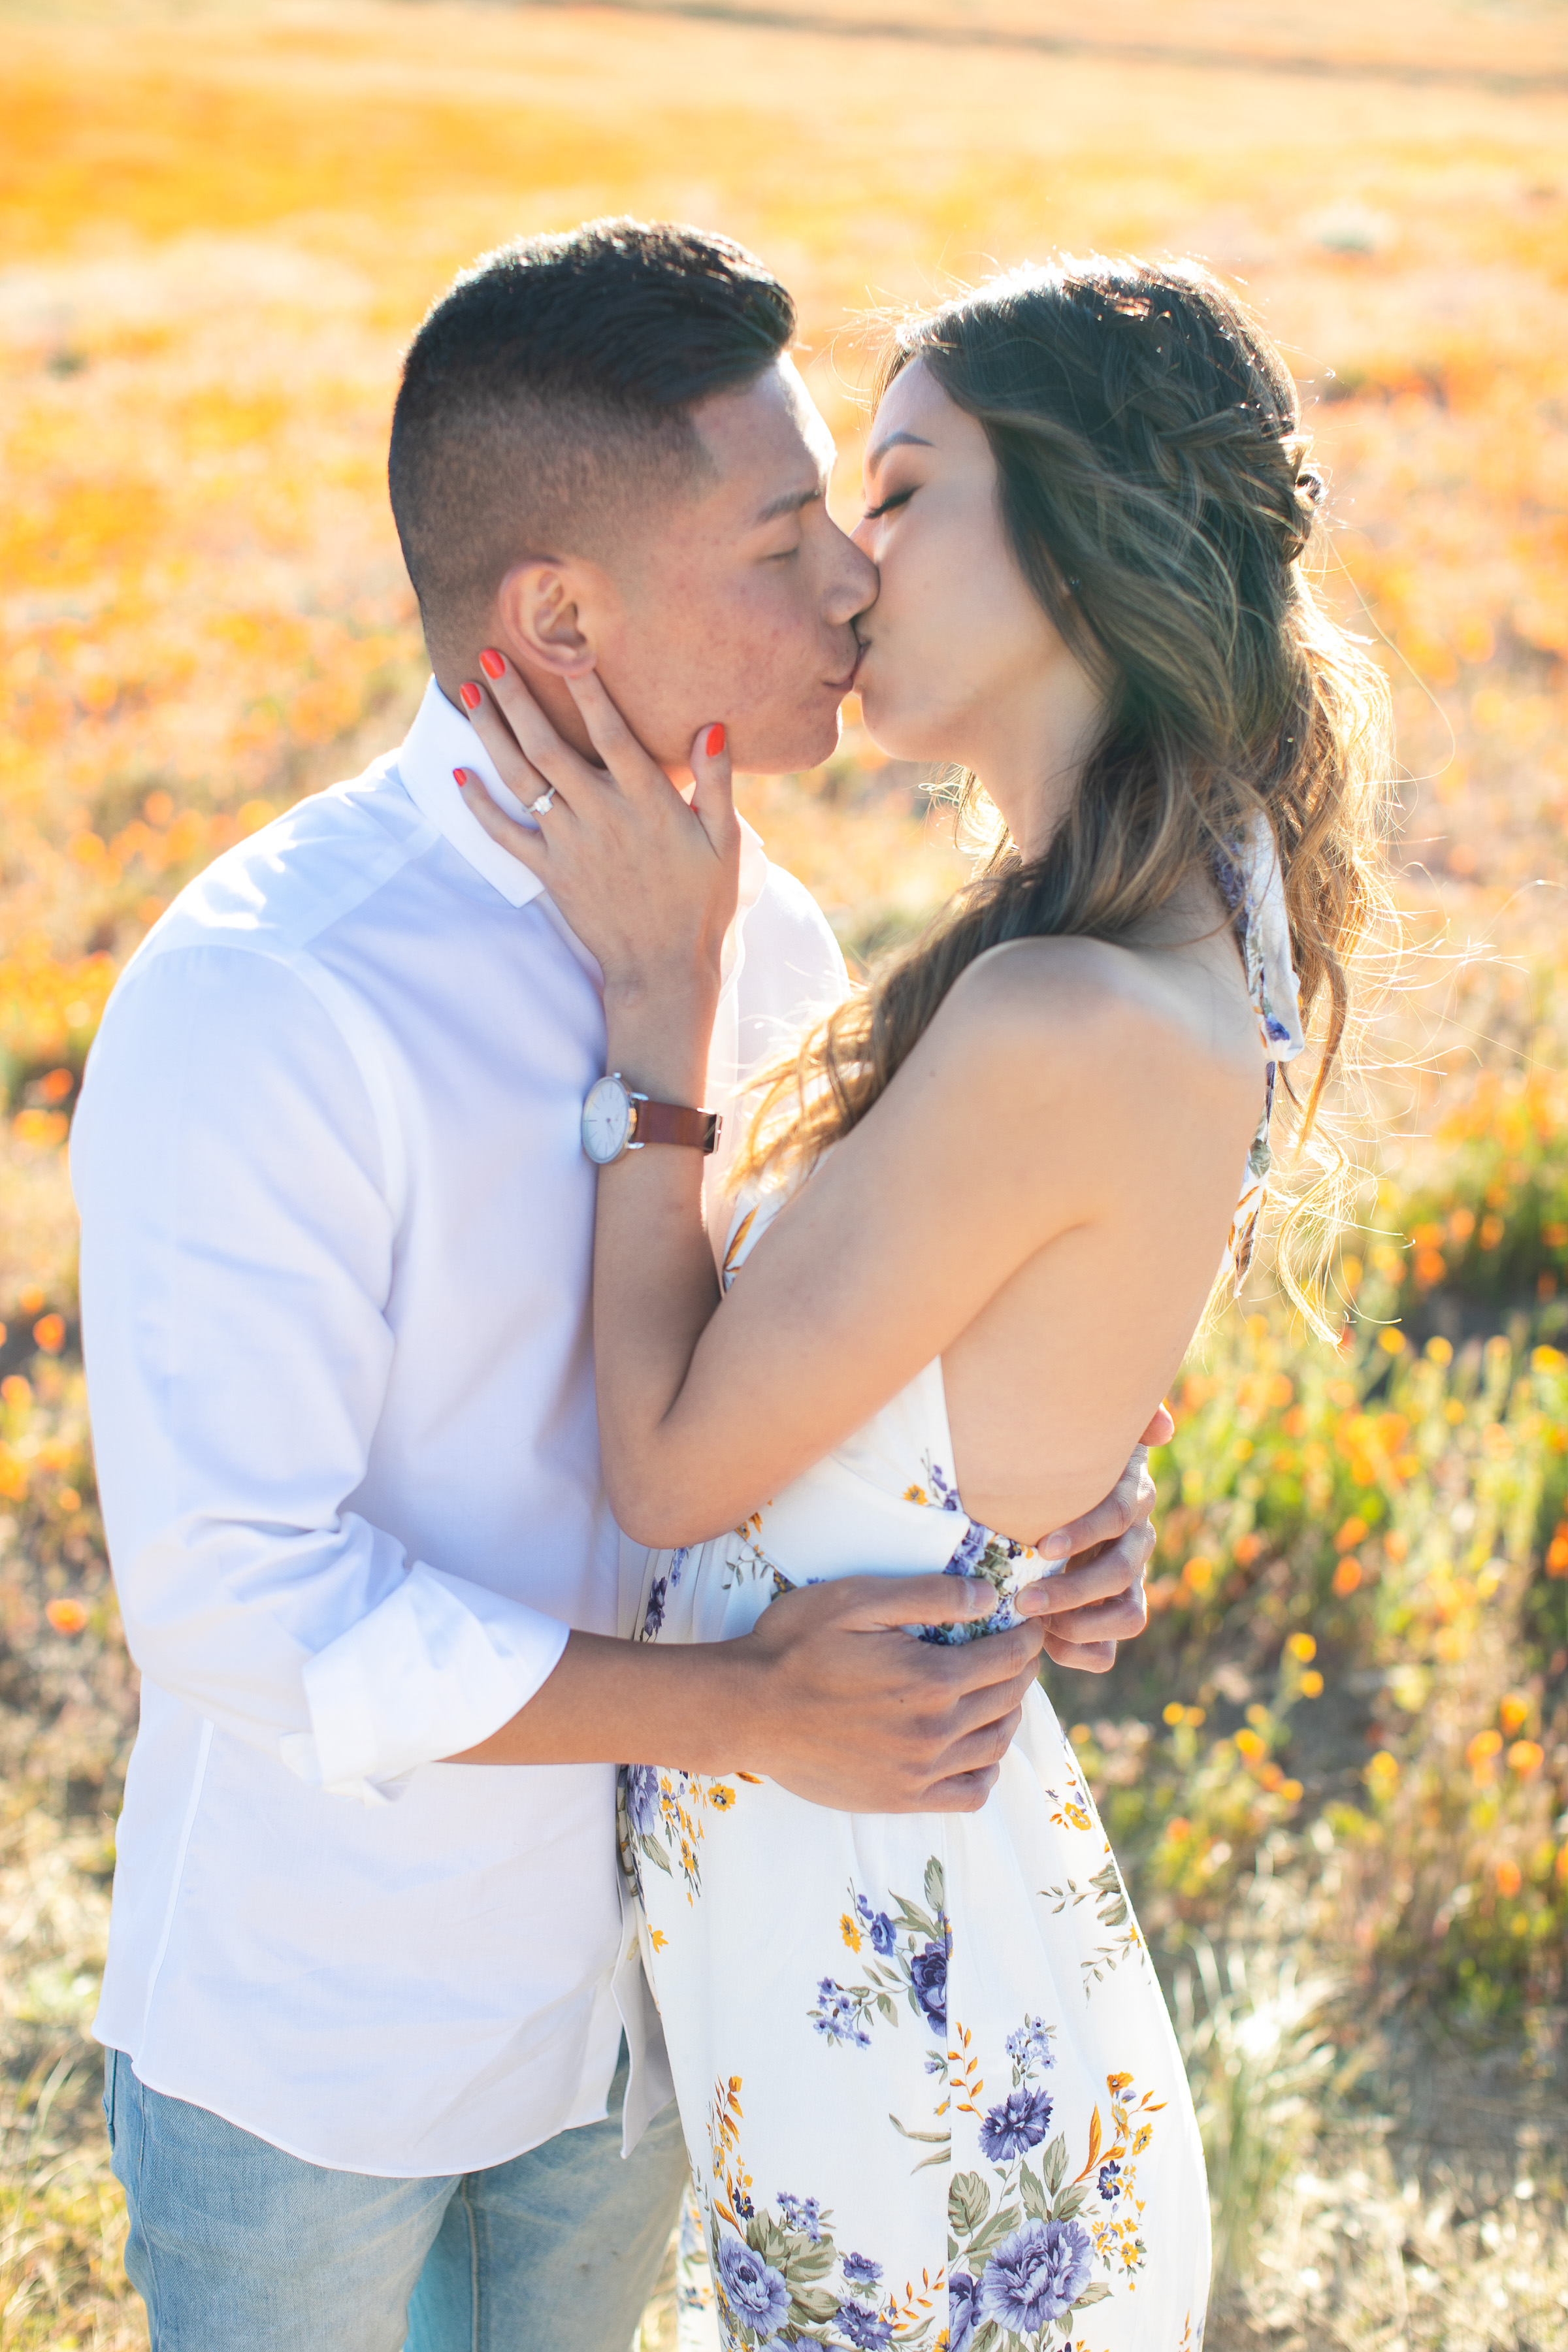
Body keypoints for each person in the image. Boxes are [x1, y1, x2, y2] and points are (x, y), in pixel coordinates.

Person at [69, 222, 1164, 2352]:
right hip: (319, 2046)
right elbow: (234, 1598)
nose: (852, 582)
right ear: (554, 614)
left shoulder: (776, 949)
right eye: (781, 543)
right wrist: (750, 1716)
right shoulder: (268, 995)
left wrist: (1030, 1509)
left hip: (663, 2002)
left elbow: (810, 1385)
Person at [456, 255, 1391, 2349]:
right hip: (904, 1963)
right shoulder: (1183, 895)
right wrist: (1039, 1505)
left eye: (900, 489)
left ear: (1083, 523)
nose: (854, 571)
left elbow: (680, 1470)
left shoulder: (1064, 1000)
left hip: (905, 2029)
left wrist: (659, 1026)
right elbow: (1026, 1375)